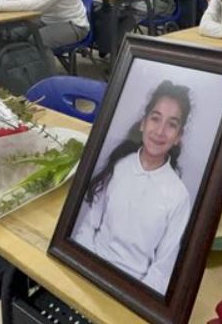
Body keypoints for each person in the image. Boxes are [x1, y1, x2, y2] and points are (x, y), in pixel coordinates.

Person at [73, 80, 192, 295]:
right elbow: (88, 228)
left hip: (133, 290)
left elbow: (162, 270)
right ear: (143, 123)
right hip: (91, 269)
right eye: (155, 118)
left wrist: (132, 299)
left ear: (178, 137)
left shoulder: (179, 196)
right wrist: (84, 274)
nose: (160, 131)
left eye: (172, 124)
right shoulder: (119, 166)